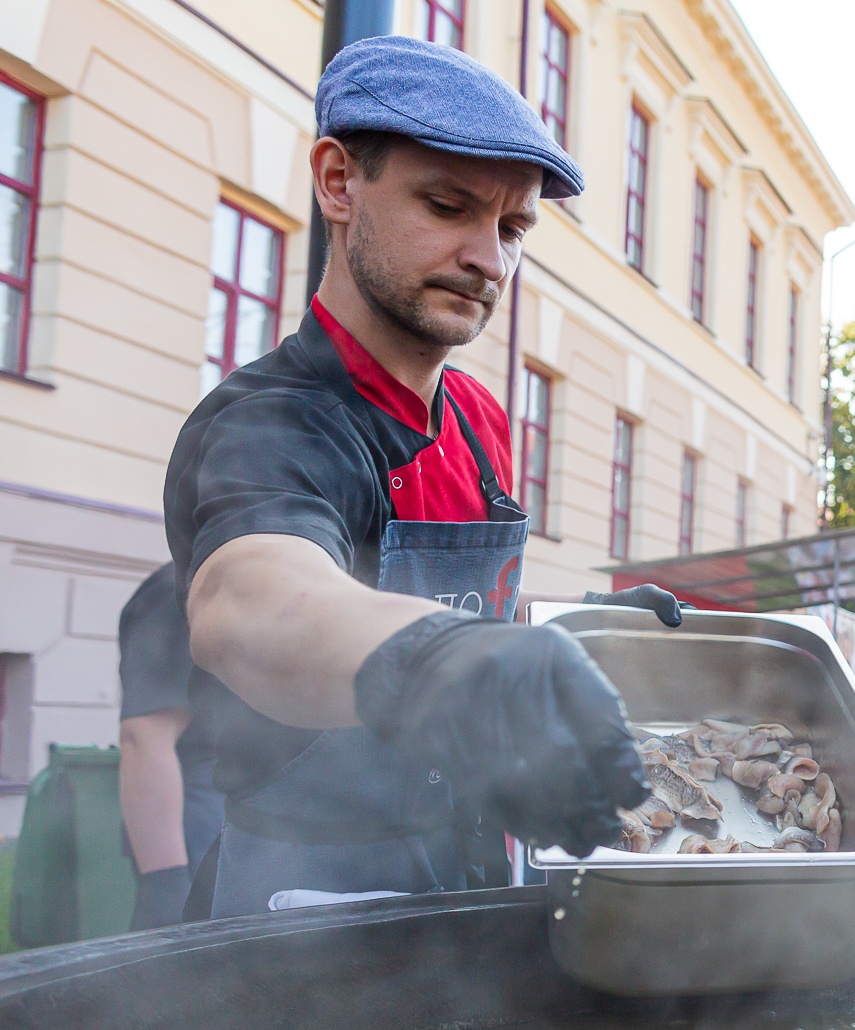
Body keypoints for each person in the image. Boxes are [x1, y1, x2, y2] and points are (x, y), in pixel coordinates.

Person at [166, 38, 679, 919]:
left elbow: (468, 613)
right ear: (337, 181)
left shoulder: (479, 420)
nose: (489, 259)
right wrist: (445, 660)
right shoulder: (271, 421)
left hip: (472, 883)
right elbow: (248, 602)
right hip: (302, 912)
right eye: (449, 206)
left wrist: (563, 633)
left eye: (513, 229)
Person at [117, 563, 224, 929]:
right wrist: (165, 885)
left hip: (229, 816)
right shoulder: (178, 592)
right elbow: (143, 736)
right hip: (194, 822)